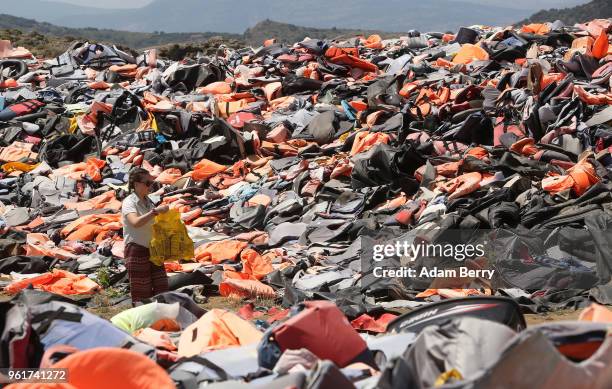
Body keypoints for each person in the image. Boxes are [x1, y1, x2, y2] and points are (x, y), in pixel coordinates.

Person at [122, 168, 169, 303]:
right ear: (136, 184)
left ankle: (162, 319)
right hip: (137, 249)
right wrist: (154, 212)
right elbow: (135, 222)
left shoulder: (148, 201)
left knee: (162, 287)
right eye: (147, 183)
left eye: (151, 183)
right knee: (142, 292)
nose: (150, 186)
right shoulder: (129, 202)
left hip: (153, 249)